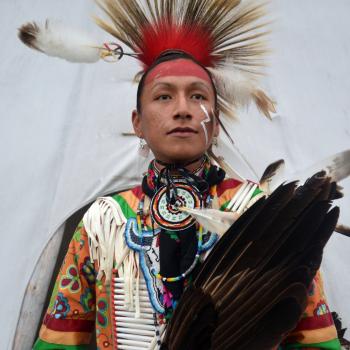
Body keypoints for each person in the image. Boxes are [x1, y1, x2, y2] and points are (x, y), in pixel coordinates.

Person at [19, 1, 340, 349]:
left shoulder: (260, 211)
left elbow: (314, 339)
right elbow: (59, 343)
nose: (183, 110)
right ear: (137, 123)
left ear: (215, 124)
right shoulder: (103, 224)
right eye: (164, 96)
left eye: (197, 96)